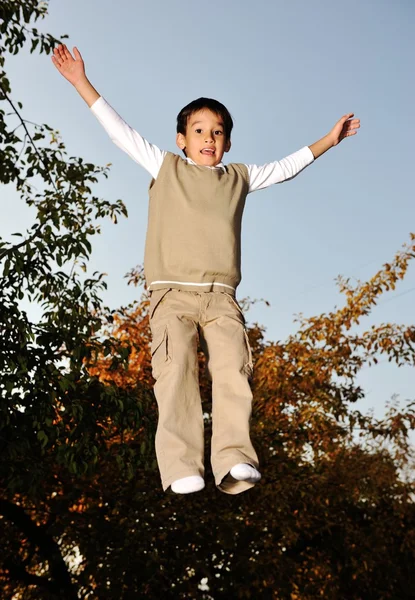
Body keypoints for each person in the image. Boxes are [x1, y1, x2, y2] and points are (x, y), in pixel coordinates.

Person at [51, 44, 360, 496]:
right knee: (175, 371)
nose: (209, 138)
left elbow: (285, 167)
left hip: (221, 297)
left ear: (228, 143)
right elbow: (121, 133)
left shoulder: (239, 176)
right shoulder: (166, 166)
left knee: (234, 367)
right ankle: (180, 466)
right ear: (182, 138)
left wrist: (328, 141)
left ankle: (234, 460)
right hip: (170, 294)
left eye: (217, 132)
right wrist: (81, 81)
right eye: (199, 130)